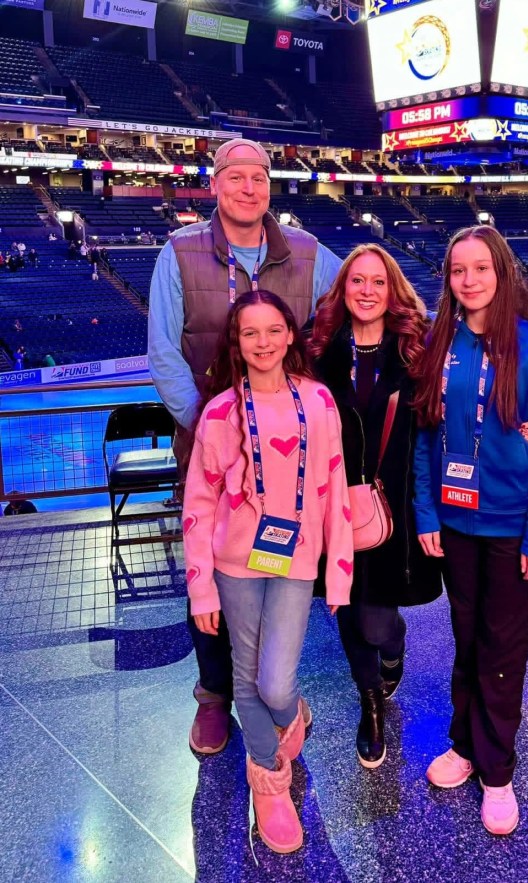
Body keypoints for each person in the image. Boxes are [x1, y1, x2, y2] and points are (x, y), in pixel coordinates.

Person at [148, 137, 342, 756]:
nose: (248, 188)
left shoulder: (310, 254)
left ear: (270, 186)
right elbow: (164, 355)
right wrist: (217, 431)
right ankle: (214, 697)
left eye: (259, 178)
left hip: (288, 455)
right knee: (207, 565)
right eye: (235, 178)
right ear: (214, 185)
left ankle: (272, 693)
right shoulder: (178, 254)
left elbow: (365, 293)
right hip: (215, 451)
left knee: (274, 576)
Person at [413, 226, 528, 836]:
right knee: (467, 639)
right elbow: (428, 436)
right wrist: (427, 513)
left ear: (501, 273)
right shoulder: (439, 345)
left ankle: (497, 771)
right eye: (458, 271)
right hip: (454, 522)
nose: (469, 280)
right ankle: (464, 743)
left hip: (510, 529)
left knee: (503, 648)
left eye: (481, 269)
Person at [183, 289, 352, 854]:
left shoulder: (320, 402)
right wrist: (201, 587)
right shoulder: (220, 411)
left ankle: (293, 710)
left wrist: (340, 573)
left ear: (289, 335)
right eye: (249, 333)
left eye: (273, 330)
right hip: (234, 563)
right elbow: (199, 506)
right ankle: (269, 778)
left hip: (295, 559)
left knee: (275, 681)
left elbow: (334, 495)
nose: (262, 342)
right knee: (246, 673)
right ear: (237, 341)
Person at [310, 244, 443, 768]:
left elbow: (445, 421)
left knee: (379, 621)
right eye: (357, 281)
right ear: (343, 290)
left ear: (393, 292)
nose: (366, 291)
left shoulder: (416, 351)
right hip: (334, 508)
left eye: (378, 282)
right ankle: (370, 708)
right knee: (348, 609)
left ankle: (394, 647)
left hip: (396, 511)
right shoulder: (319, 353)